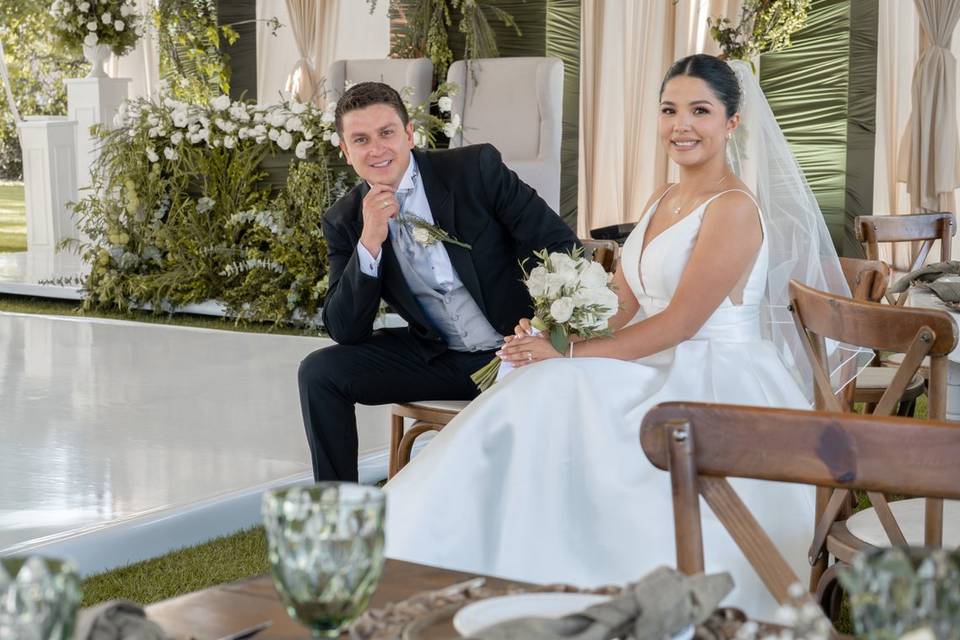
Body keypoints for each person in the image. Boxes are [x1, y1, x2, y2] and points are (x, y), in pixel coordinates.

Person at [384, 54, 861, 620]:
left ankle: (568, 568)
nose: (681, 125)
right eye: (669, 110)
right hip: (654, 356)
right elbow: (624, 303)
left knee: (557, 389)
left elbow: (680, 323)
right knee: (535, 387)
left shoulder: (733, 209)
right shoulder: (663, 198)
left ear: (732, 122)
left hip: (710, 376)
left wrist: (567, 353)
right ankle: (459, 548)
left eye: (699, 111)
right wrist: (549, 333)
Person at [298, 82, 579, 482]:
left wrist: (542, 327)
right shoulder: (344, 220)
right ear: (345, 152)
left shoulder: (474, 170)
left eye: (387, 133)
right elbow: (345, 329)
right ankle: (340, 518)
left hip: (517, 349)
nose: (376, 149)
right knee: (319, 373)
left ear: (410, 134)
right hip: (439, 357)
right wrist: (370, 242)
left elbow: (558, 243)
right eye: (361, 139)